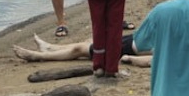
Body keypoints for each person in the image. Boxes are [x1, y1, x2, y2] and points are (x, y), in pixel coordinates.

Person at [13, 33, 152, 68]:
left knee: (79, 49)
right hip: (134, 38)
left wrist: (129, 58)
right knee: (89, 42)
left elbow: (153, 60)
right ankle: (50, 48)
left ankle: (38, 56)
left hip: (125, 48)